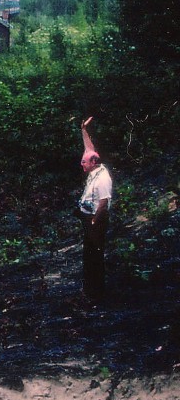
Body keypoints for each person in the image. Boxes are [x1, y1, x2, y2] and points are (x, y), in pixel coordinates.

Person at [77, 116, 113, 300]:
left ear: (93, 163)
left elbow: (104, 203)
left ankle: (97, 291)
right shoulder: (93, 162)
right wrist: (84, 129)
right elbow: (89, 148)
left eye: (84, 162)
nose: (81, 164)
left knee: (95, 254)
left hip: (96, 219)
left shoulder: (103, 179)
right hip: (87, 216)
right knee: (88, 252)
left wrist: (93, 220)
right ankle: (89, 286)